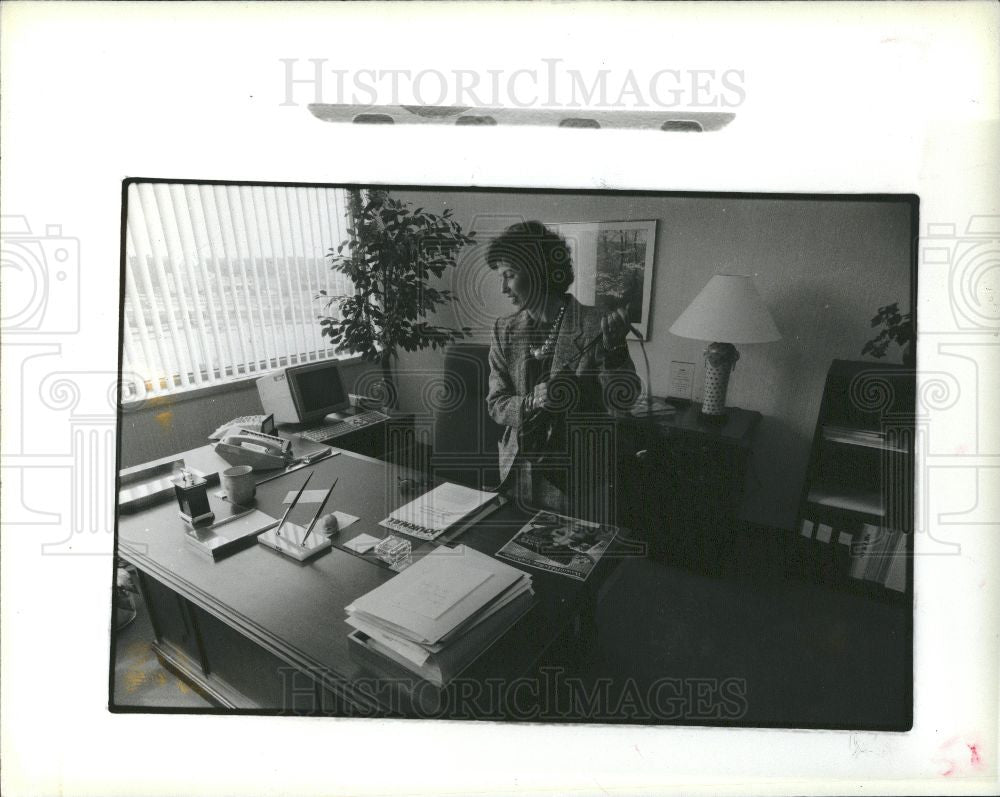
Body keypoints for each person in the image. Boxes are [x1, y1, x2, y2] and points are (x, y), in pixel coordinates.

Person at [485, 221, 641, 520]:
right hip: (517, 473)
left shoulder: (595, 324)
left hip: (577, 478)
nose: (503, 288)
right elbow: (496, 403)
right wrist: (530, 401)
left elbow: (623, 401)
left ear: (540, 271)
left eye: (509, 275)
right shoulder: (504, 330)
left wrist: (614, 350)